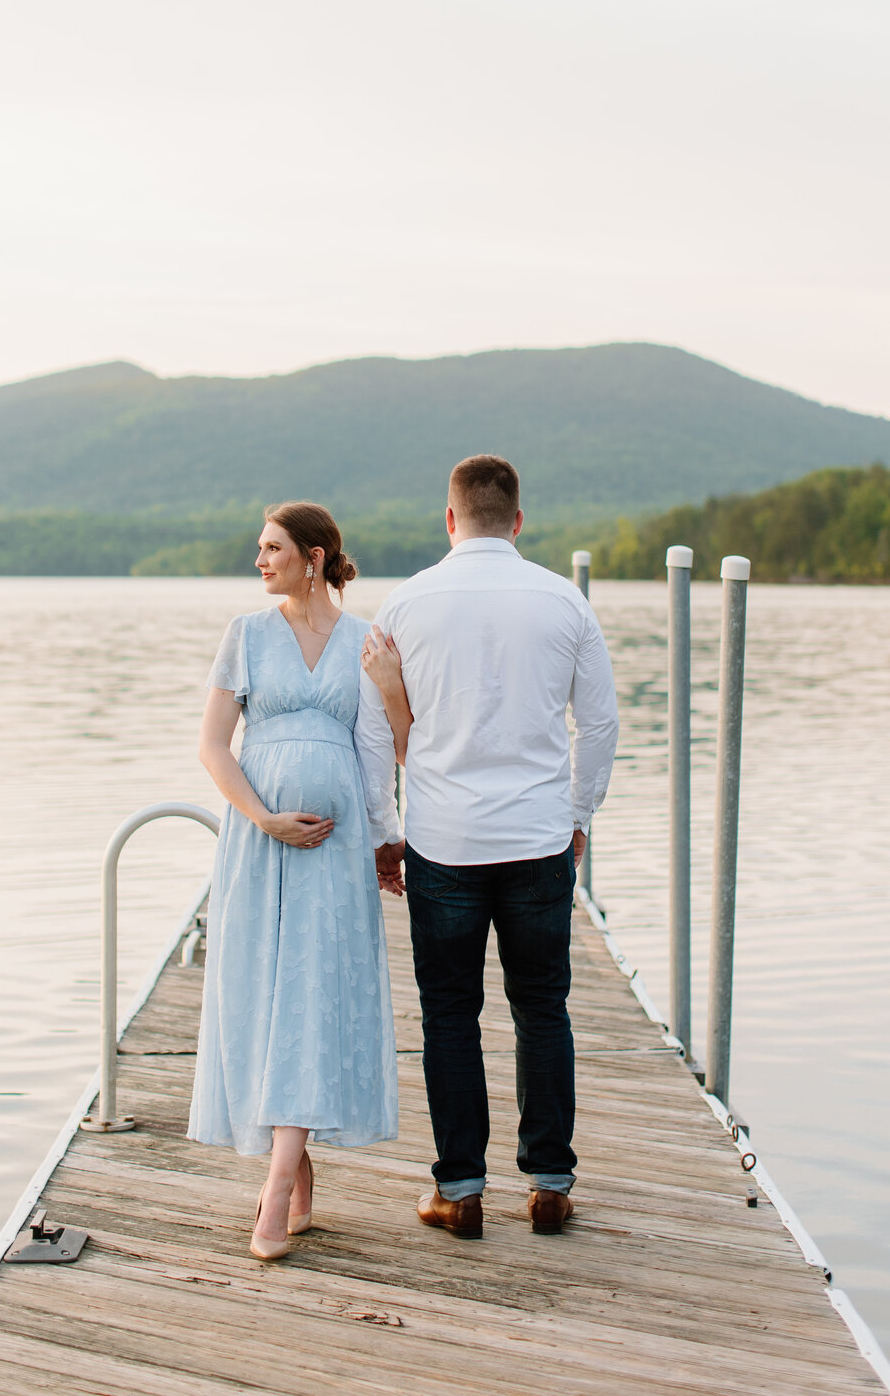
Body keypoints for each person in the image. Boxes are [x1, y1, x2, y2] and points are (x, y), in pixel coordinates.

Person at [356, 455, 618, 1239]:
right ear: (518, 520)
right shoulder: (564, 601)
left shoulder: (404, 604)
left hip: (444, 840)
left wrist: (385, 833)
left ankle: (460, 1191)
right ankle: (548, 1182)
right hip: (538, 840)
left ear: (449, 519)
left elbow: (375, 732)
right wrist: (578, 815)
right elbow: (599, 726)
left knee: (450, 1016)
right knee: (543, 1010)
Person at [187, 502, 408, 1262]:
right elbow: (215, 749)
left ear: (313, 557)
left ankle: (277, 1191)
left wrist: (386, 838)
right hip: (260, 844)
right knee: (264, 997)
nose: (259, 559)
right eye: (259, 547)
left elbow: (380, 750)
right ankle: (298, 1168)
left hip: (338, 852)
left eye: (272, 547)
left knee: (315, 997)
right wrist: (263, 817)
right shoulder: (245, 636)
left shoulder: (364, 641)